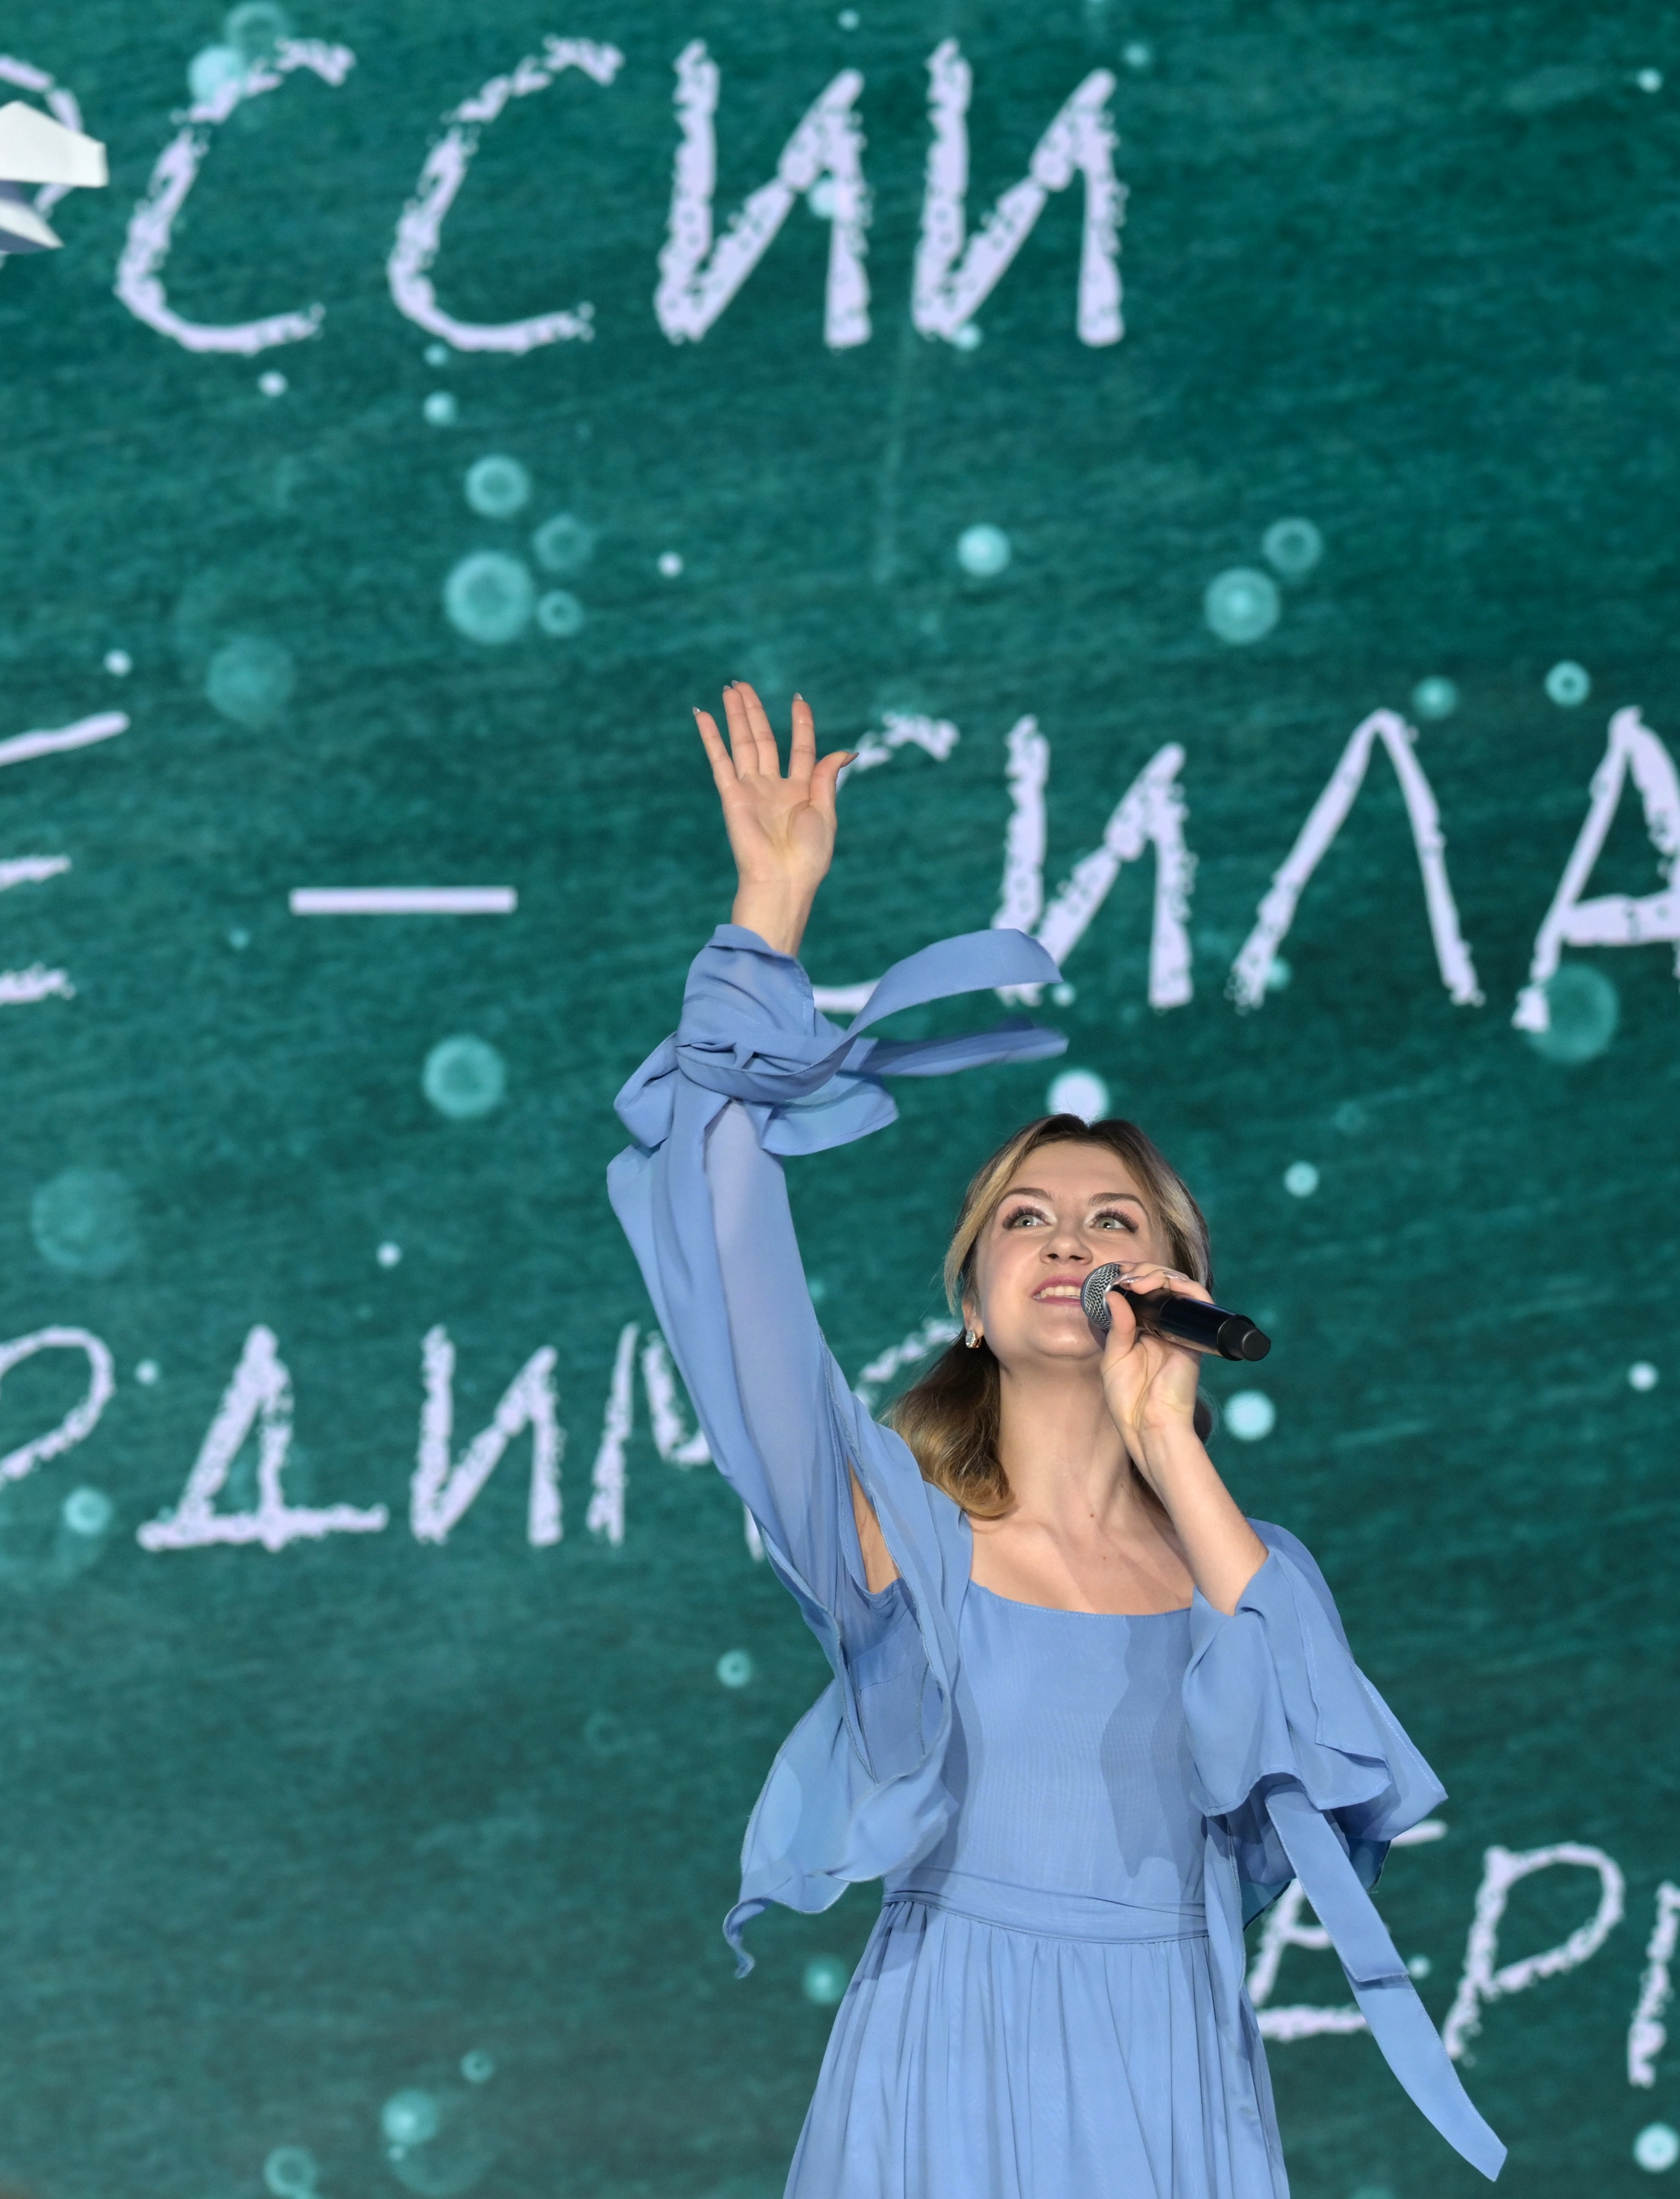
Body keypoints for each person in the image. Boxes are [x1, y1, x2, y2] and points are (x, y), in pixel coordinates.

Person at [606, 683, 1502, 2196]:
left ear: (1179, 1286)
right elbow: (732, 1281)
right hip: (944, 2068)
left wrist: (1172, 1441)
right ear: (972, 1302)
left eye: (1115, 1223)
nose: (1073, 1241)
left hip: (1174, 2081)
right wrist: (770, 917)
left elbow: (1336, 1782)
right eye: (1027, 1218)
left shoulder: (1251, 1570)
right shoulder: (899, 1537)